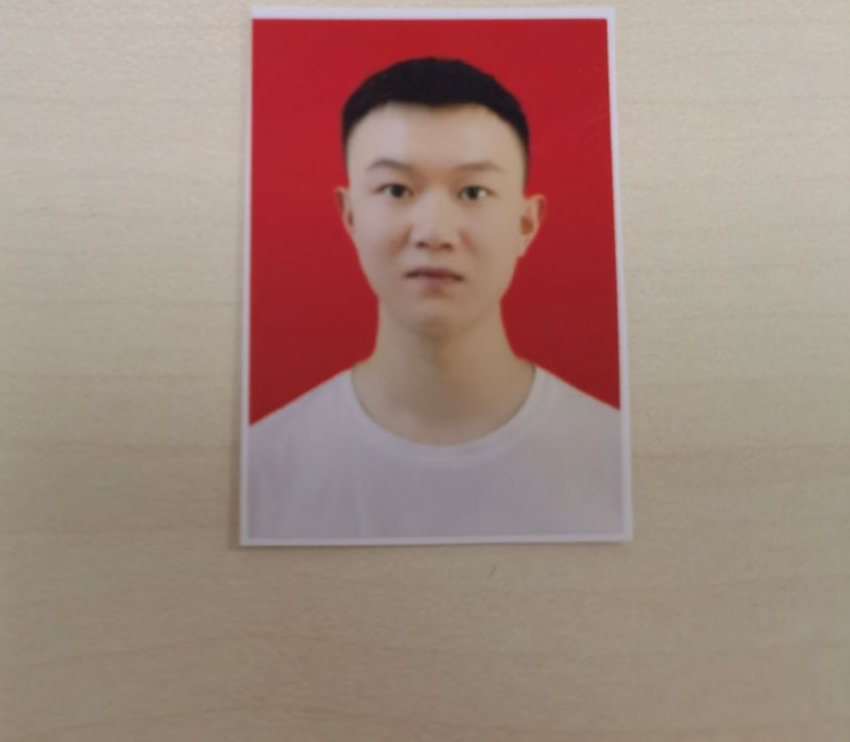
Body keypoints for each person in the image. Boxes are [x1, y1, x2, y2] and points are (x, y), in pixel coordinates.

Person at [246, 56, 625, 542]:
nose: (434, 233)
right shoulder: (264, 470)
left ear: (526, 223)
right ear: (350, 216)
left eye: (473, 192)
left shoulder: (615, 459)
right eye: (396, 189)